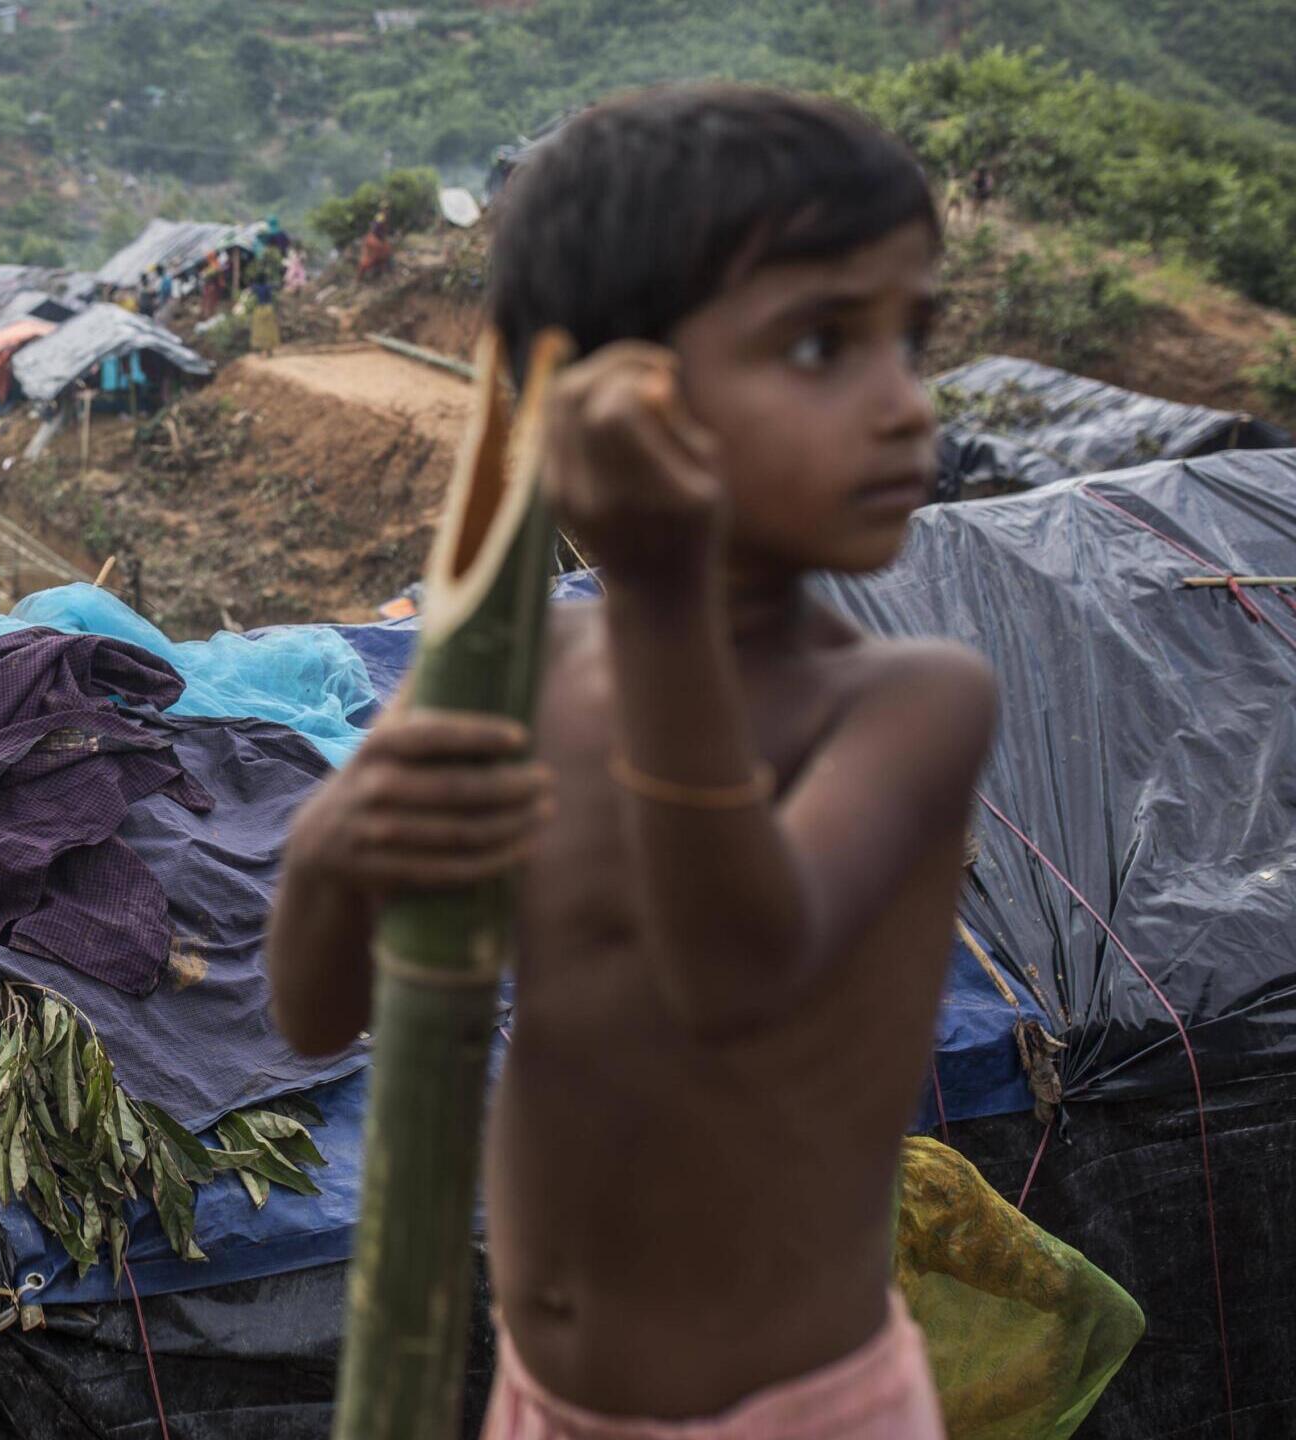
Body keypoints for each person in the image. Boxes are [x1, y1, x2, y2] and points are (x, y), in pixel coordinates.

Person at [267, 86, 989, 1440]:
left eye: (912, 341)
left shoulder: (909, 708)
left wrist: (660, 595)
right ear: (608, 393)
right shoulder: (518, 675)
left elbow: (731, 978)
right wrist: (325, 853)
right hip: (544, 1401)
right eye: (823, 344)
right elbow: (321, 1013)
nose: (907, 407)